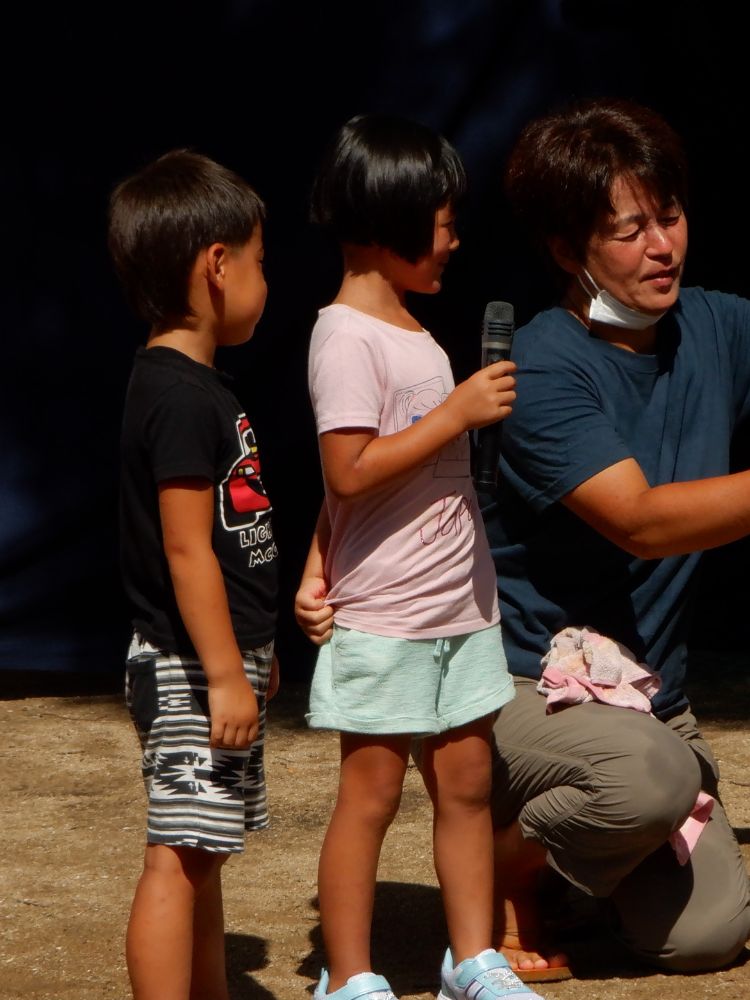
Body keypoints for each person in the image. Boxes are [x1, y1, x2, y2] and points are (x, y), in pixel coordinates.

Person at [298, 97, 750, 979]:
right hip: (522, 687)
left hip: (651, 699)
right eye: (629, 231)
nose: (662, 246)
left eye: (670, 217)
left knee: (708, 935)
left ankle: (593, 856)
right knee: (649, 782)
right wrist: (325, 563)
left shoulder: (712, 326)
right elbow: (642, 522)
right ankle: (513, 871)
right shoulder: (537, 368)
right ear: (567, 249)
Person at [297, 113, 545, 1000]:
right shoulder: (344, 336)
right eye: (442, 223)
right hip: (389, 614)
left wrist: (315, 560)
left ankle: (472, 960)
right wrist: (455, 415)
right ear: (392, 220)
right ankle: (350, 975)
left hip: (459, 605)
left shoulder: (410, 326)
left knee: (467, 785)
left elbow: (355, 486)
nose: (454, 241)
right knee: (369, 796)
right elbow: (347, 470)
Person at [108, 149, 279, 1000]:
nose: (265, 280)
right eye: (259, 260)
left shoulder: (198, 387)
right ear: (218, 265)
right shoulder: (178, 396)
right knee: (177, 858)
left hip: (217, 659)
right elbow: (186, 548)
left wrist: (251, 651)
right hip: (187, 667)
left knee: (204, 854)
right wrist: (222, 672)